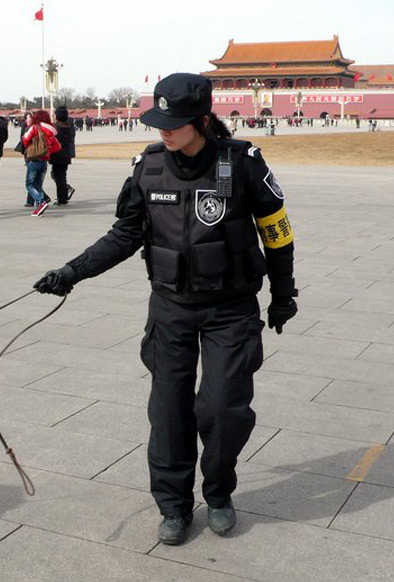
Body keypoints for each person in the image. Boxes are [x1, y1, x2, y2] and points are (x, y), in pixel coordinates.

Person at [34, 73, 298, 545]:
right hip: (171, 308)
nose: (164, 132)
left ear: (202, 120)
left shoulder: (243, 163)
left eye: (174, 124)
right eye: (160, 123)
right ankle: (174, 506)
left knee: (223, 409)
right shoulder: (149, 166)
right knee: (169, 412)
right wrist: (72, 271)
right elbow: (124, 234)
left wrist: (283, 294)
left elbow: (277, 233)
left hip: (230, 308)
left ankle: (219, 493)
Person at [21, 110, 61, 217]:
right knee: (38, 184)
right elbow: (57, 147)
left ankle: (41, 202)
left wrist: (31, 147)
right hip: (44, 160)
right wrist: (47, 151)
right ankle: (40, 207)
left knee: (29, 184)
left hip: (34, 159)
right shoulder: (51, 130)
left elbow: (25, 139)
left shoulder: (35, 127)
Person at [50, 106, 76, 205]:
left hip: (57, 155)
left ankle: (62, 199)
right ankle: (63, 197)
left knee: (58, 178)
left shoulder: (56, 128)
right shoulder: (68, 127)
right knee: (62, 176)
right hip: (66, 155)